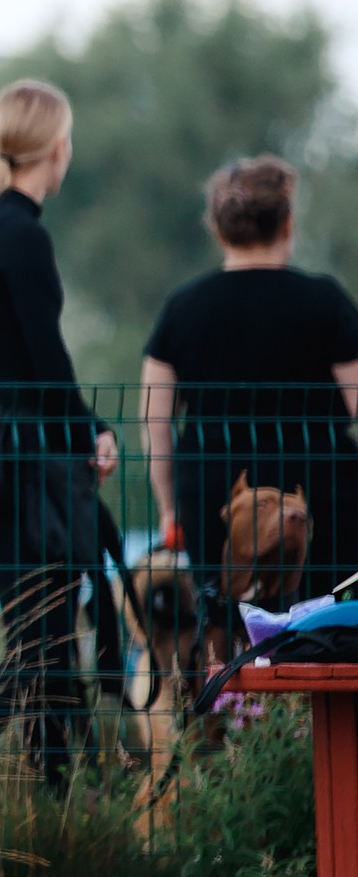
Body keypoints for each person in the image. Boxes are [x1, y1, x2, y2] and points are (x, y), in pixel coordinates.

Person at [0, 78, 117, 782]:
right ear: (57, 147)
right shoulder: (22, 233)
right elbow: (47, 359)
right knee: (40, 648)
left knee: (37, 643)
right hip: (33, 460)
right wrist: (89, 431)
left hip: (11, 450)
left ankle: (54, 796)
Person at [141, 156, 358, 605]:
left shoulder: (182, 308)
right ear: (288, 223)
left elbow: (154, 421)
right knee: (321, 627)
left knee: (225, 626)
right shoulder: (326, 302)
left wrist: (169, 508)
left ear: (219, 229)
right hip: (321, 499)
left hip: (213, 500)